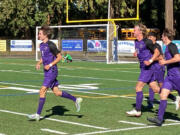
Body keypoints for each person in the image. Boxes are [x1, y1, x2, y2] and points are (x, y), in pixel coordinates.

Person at [28, 26, 83, 121]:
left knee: (42, 91)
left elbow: (59, 57)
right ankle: (76, 100)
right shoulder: (41, 45)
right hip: (47, 72)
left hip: (52, 71)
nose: (38, 35)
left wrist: (49, 65)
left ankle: (37, 114)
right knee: (57, 92)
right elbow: (44, 57)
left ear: (45, 35)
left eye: (40, 34)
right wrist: (38, 63)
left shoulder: (51, 45)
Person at [126, 24, 161, 117]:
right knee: (156, 89)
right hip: (143, 68)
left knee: (138, 88)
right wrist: (136, 53)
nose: (133, 32)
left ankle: (138, 110)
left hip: (148, 69)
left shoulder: (147, 41)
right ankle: (175, 98)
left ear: (140, 32)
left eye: (135, 30)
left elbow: (157, 52)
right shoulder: (136, 41)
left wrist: (150, 60)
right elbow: (139, 51)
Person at [147, 28, 180, 126]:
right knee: (163, 95)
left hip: (177, 77)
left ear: (165, 37)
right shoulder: (167, 47)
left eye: (162, 36)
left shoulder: (172, 46)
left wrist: (165, 62)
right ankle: (159, 119)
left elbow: (178, 58)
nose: (161, 37)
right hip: (170, 77)